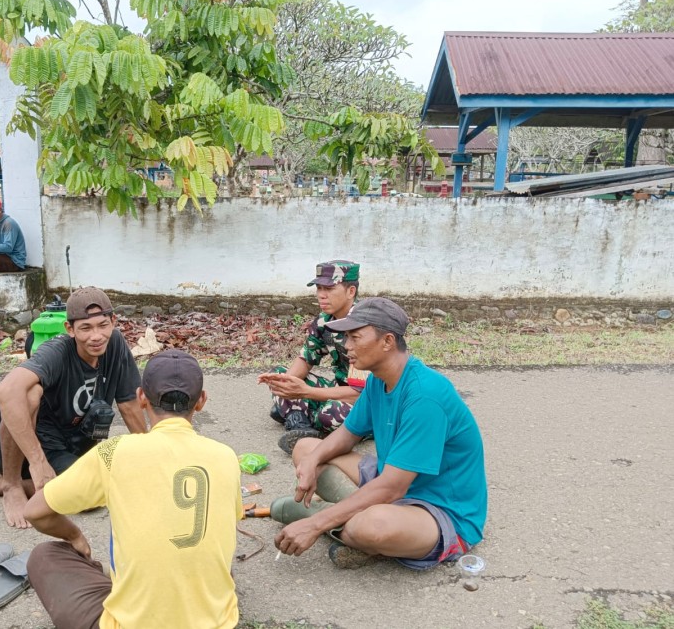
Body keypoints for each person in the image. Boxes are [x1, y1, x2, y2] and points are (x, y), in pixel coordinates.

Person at [24, 349, 242, 629]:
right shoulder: (226, 456)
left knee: (44, 556)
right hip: (216, 622)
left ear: (141, 397)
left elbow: (35, 511)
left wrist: (74, 535)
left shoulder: (113, 452)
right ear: (201, 401)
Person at [273, 297, 488, 570]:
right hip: (393, 481)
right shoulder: (379, 379)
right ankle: (350, 527)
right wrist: (312, 461)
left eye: (355, 337)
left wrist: (315, 524)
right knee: (305, 448)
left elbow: (392, 487)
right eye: (346, 337)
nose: (346, 346)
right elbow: (347, 435)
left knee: (373, 525)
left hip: (440, 508)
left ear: (387, 341)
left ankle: (326, 517)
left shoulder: (425, 396)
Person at [0, 287, 145, 528]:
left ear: (113, 321)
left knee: (91, 495)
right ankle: (11, 484)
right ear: (70, 329)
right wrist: (37, 461)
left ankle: (4, 485)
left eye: (102, 325)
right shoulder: (56, 352)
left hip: (68, 446)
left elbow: (129, 403)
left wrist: (151, 453)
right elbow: (4, 392)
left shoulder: (115, 345)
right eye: (85, 328)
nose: (96, 336)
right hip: (19, 448)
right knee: (28, 394)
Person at [258, 260, 362, 454]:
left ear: (351, 291)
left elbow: (360, 393)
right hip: (339, 389)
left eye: (329, 288)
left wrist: (305, 393)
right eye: (319, 288)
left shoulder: (364, 326)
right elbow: (306, 358)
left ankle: (295, 411)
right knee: (279, 375)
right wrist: (286, 384)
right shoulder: (324, 320)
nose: (321, 295)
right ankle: (300, 424)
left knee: (330, 414)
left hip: (370, 400)